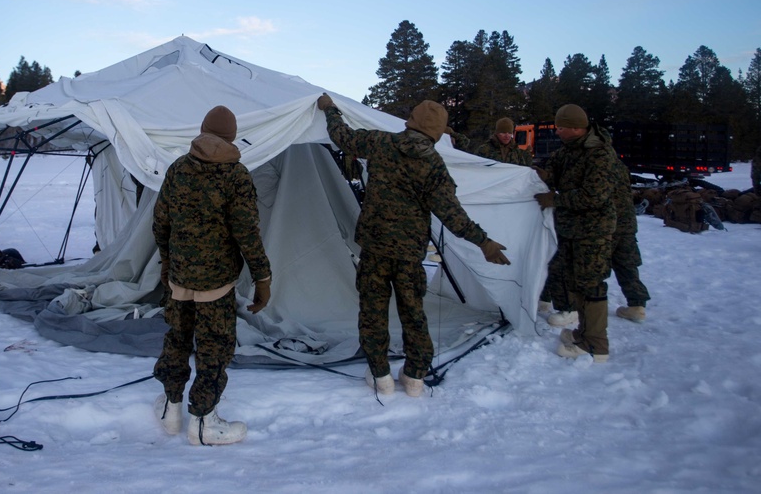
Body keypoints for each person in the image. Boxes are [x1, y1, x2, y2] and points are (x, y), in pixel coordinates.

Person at [317, 95, 510, 397]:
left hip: (376, 248)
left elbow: (344, 138)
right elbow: (451, 213)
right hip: (409, 253)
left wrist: (330, 110)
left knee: (373, 313)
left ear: (411, 122)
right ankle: (415, 377)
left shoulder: (382, 143)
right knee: (413, 313)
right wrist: (482, 241)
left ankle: (380, 375)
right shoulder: (433, 165)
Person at [152, 105, 272, 446]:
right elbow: (247, 234)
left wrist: (166, 261)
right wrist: (263, 278)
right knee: (214, 348)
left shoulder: (179, 168)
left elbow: (161, 221)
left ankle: (171, 408)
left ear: (202, 130)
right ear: (232, 137)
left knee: (177, 339)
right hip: (216, 285)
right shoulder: (236, 176)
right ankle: (203, 422)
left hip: (179, 278)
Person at [534, 104, 616, 362]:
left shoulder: (599, 154)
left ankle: (595, 345)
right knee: (577, 283)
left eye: (560, 127)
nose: (557, 132)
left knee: (591, 285)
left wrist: (555, 200)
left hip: (592, 233)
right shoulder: (568, 152)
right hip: (571, 231)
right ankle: (583, 333)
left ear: (575, 127)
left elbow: (594, 195)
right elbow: (552, 176)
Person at [609, 151, 651, 322]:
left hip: (605, 223)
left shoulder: (593, 163)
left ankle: (580, 307)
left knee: (593, 267)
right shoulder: (617, 163)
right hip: (626, 221)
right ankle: (637, 304)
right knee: (627, 264)